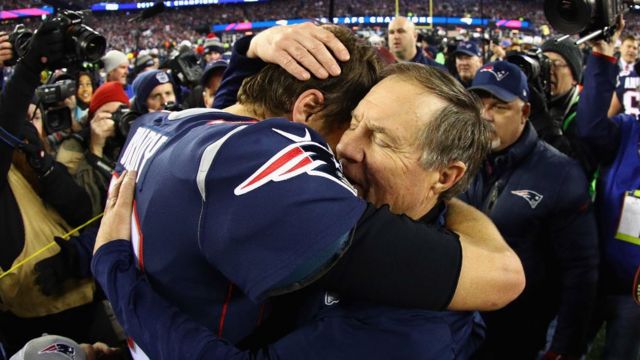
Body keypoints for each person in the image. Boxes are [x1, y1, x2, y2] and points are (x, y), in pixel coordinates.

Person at [96, 24, 524, 359]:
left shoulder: (413, 330)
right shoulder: (262, 166)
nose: (344, 148)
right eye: (353, 122)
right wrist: (251, 48)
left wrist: (117, 275)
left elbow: (505, 278)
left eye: (381, 138)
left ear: (445, 177)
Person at [462, 61, 599, 359]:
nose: (484, 116)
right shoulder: (459, 158)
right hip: (461, 326)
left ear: (524, 113)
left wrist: (563, 347)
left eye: (499, 107)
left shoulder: (560, 174)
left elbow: (580, 271)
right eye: (478, 105)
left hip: (521, 335)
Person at [0, 21, 112, 355]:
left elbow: (80, 209)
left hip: (85, 296)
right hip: (31, 319)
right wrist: (29, 69)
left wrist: (40, 161)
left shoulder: (25, 149)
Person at [576, 21, 640, 360]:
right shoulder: (629, 131)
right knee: (565, 347)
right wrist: (602, 57)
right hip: (597, 272)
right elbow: (589, 129)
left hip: (636, 291)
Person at [608, 35, 640, 117]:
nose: (631, 50)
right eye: (628, 46)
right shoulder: (608, 68)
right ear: (620, 48)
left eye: (635, 48)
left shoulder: (638, 73)